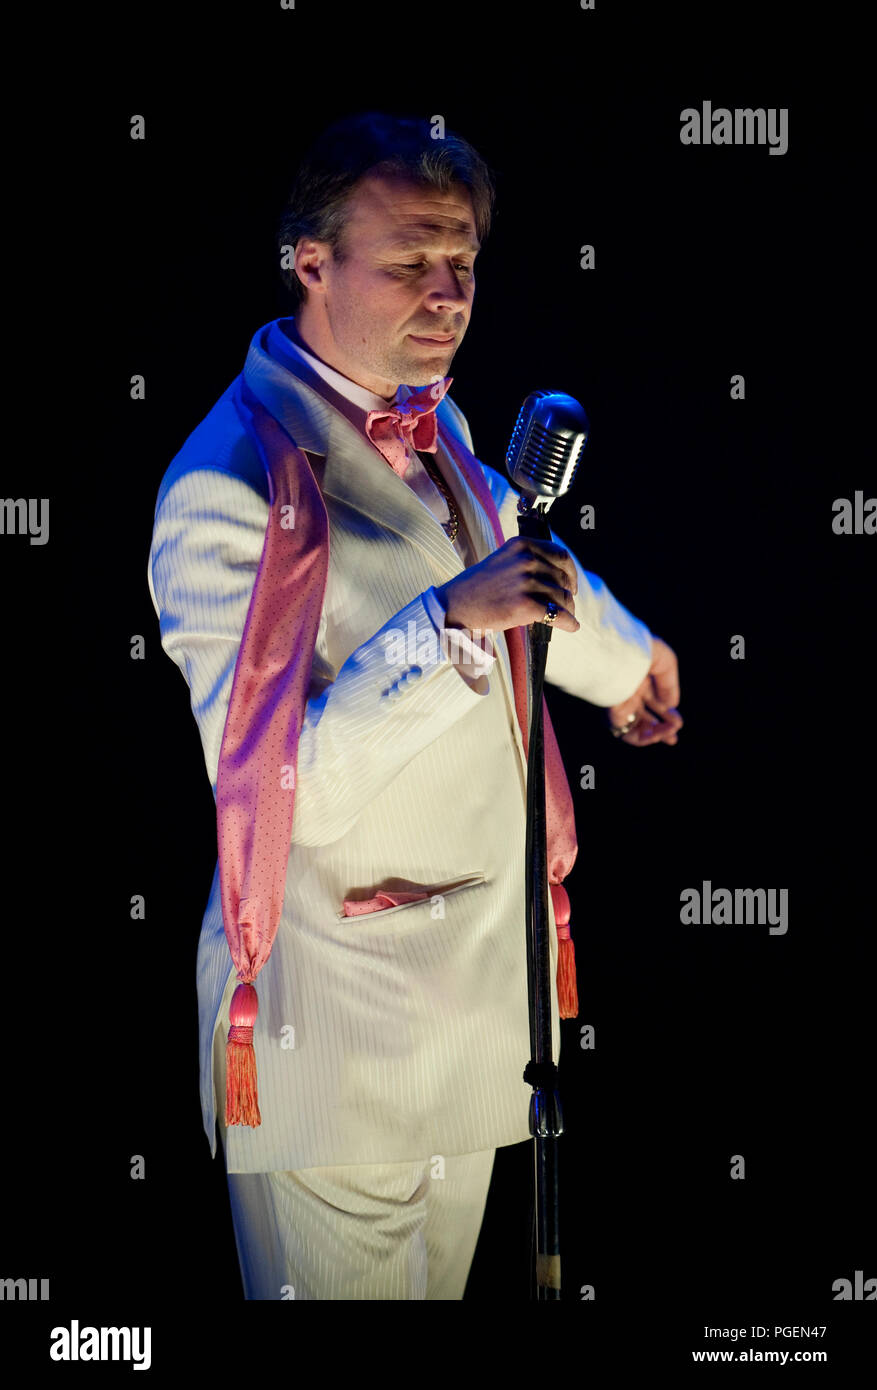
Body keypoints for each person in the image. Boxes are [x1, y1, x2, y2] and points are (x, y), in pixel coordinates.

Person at [146, 111, 683, 1300]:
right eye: (409, 262)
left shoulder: (432, 422)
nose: (446, 295)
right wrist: (446, 626)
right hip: (338, 1045)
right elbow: (284, 796)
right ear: (310, 262)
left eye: (464, 264)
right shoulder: (227, 488)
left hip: (471, 1024)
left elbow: (513, 546)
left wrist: (630, 659)